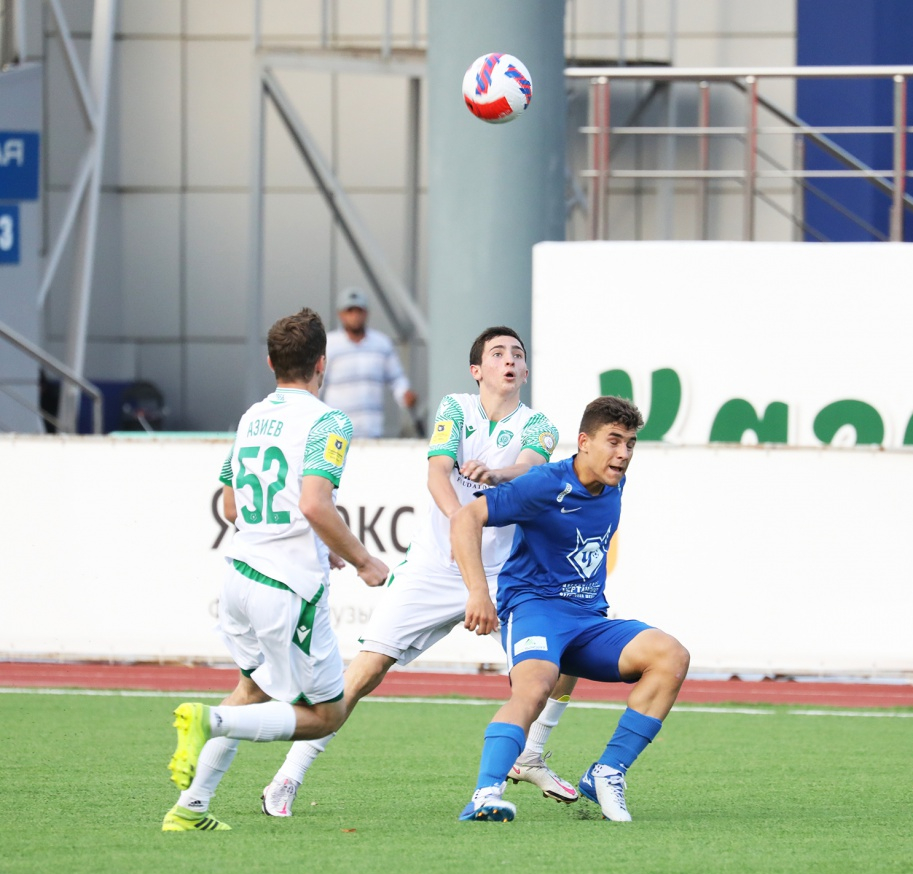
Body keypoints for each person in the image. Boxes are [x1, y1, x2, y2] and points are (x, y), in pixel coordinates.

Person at [260, 326, 582, 817]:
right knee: (364, 671)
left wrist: (498, 476)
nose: (509, 360)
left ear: (525, 370)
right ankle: (287, 776)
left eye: (517, 354)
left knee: (564, 657)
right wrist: (461, 526)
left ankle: (530, 754)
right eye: (498, 353)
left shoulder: (538, 424)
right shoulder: (456, 408)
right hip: (434, 565)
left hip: (506, 574)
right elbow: (436, 473)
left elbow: (530, 469)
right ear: (477, 370)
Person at [163, 308, 390, 831]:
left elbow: (230, 506)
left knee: (253, 690)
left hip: (239, 577)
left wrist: (313, 542)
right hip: (285, 588)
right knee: (326, 715)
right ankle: (209, 720)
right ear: (322, 362)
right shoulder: (328, 420)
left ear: (270, 362)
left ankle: (190, 808)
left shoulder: (251, 416)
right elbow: (314, 504)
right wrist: (364, 561)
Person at [452, 396, 691, 823]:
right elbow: (465, 519)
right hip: (535, 609)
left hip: (587, 620)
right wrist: (478, 593)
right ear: (584, 442)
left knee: (671, 656)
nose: (623, 453)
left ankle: (607, 772)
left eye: (630, 444)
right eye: (613, 441)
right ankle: (486, 794)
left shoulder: (615, 482)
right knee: (535, 687)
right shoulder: (546, 484)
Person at [322, 286, 418, 438]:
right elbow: (317, 383)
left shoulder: (382, 343)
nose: (355, 316)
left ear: (366, 313)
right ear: (340, 314)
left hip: (371, 431)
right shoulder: (329, 344)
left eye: (359, 311)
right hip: (337, 432)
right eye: (350, 311)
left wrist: (404, 394)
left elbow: (396, 378)